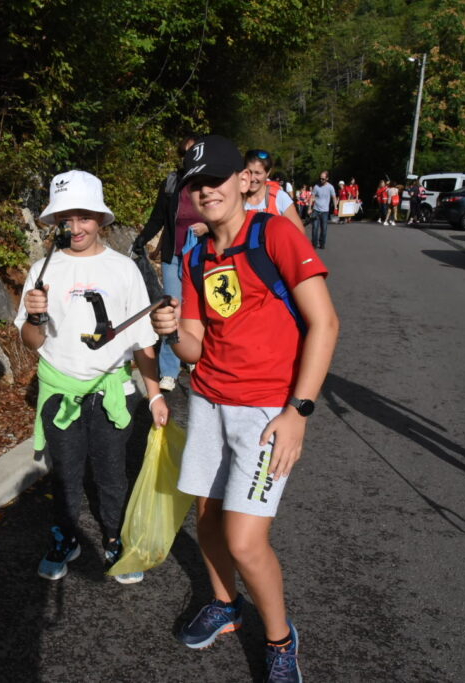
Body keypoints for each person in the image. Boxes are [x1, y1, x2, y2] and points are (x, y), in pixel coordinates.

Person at [151, 135, 339, 683]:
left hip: (266, 412)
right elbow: (193, 344)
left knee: (244, 539)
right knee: (207, 515)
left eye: (216, 179)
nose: (207, 191)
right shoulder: (195, 251)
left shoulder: (275, 233)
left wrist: (299, 411)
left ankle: (280, 641)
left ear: (242, 180)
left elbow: (325, 324)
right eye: (197, 184)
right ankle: (225, 604)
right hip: (208, 399)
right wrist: (170, 331)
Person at [19, 169, 169, 584]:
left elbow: (143, 342)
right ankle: (66, 537)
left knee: (111, 472)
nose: (75, 227)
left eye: (84, 217)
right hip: (58, 389)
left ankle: (114, 537)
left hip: (111, 391)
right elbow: (31, 341)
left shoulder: (123, 270)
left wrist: (155, 396)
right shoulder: (41, 270)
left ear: (101, 218)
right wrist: (35, 315)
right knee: (65, 472)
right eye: (66, 219)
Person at [132, 133, 203, 393]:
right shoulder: (172, 182)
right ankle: (170, 370)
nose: (190, 158)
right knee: (171, 310)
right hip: (174, 255)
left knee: (198, 308)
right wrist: (142, 239)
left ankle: (195, 355)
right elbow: (157, 218)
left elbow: (225, 219)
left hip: (201, 256)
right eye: (186, 153)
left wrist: (208, 227)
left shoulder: (211, 183)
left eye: (195, 152)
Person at [243, 150, 303, 232]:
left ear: (268, 173)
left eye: (258, 173)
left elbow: (299, 234)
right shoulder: (237, 199)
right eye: (249, 172)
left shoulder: (279, 197)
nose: (252, 178)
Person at [310, 170, 336, 248]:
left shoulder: (330, 187)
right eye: (320, 178)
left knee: (324, 229)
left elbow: (334, 197)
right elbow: (312, 197)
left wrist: (336, 207)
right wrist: (309, 208)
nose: (321, 180)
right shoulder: (316, 186)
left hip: (325, 211)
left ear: (327, 178)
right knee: (315, 228)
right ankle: (314, 244)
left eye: (323, 179)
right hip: (316, 210)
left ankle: (322, 244)